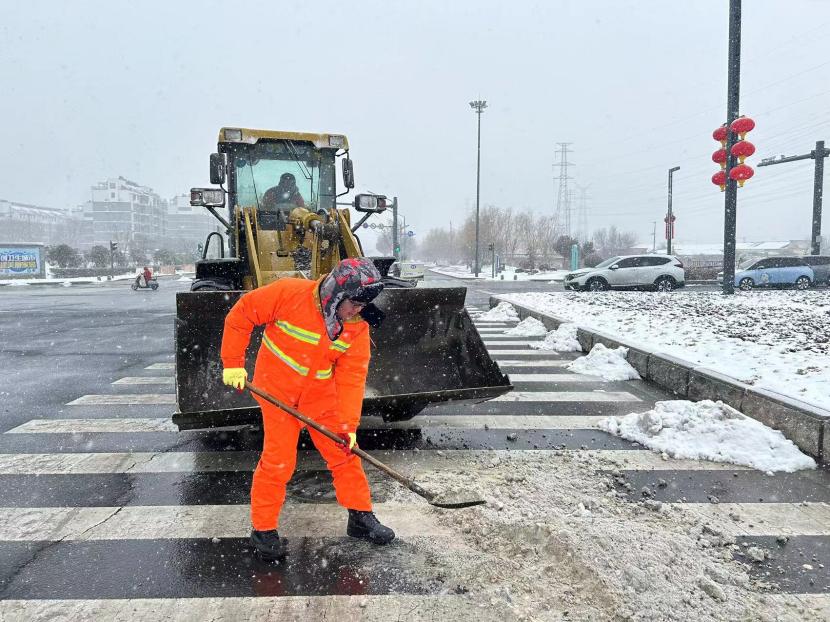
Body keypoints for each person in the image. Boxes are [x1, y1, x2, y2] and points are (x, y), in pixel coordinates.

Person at [220, 257, 394, 561]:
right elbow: (242, 314)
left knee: (345, 452)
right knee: (278, 461)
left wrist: (348, 426)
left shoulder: (356, 326)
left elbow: (352, 377)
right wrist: (233, 363)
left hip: (319, 396)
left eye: (362, 305)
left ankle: (360, 517)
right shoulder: (289, 294)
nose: (357, 310)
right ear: (335, 294)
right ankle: (263, 530)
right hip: (277, 392)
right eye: (353, 303)